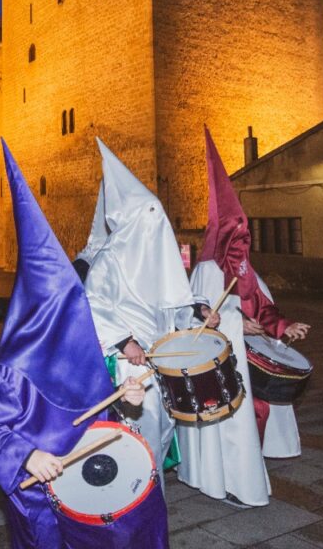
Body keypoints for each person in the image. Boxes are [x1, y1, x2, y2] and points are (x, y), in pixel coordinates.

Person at [0, 141, 166, 548]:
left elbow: (96, 409)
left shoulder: (81, 348)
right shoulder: (12, 367)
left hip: (84, 475)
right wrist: (25, 456)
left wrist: (125, 400)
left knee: (146, 513)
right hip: (37, 492)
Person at [83, 138, 196, 480]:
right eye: (149, 215)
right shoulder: (109, 260)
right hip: (128, 367)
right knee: (138, 439)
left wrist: (193, 320)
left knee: (162, 432)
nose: (156, 222)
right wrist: (124, 342)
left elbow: (174, 301)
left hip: (161, 362)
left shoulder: (159, 257)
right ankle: (142, 508)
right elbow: (92, 305)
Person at [178, 128, 272, 506]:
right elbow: (198, 315)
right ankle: (230, 483)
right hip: (218, 370)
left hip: (241, 362)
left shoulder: (239, 267)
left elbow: (256, 299)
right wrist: (234, 323)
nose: (243, 243)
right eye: (237, 237)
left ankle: (236, 479)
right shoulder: (205, 268)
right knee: (230, 426)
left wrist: (265, 322)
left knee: (246, 419)